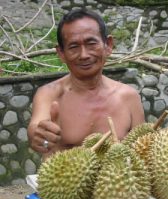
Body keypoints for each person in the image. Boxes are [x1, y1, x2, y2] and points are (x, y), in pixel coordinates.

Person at [27, 9, 145, 159]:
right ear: (61, 53)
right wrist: (41, 138)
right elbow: (36, 130)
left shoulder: (129, 97)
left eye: (91, 43)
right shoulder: (49, 94)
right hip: (66, 181)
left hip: (116, 182)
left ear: (108, 45)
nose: (84, 55)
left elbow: (143, 150)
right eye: (73, 47)